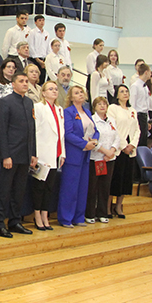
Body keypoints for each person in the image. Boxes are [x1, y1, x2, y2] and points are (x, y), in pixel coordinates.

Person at [0, 70, 37, 238]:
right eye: (21, 81)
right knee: (4, 190)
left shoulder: (29, 102)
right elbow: (1, 130)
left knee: (19, 191)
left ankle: (15, 221)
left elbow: (32, 130)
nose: (25, 83)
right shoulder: (6, 102)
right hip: (10, 154)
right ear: (13, 84)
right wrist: (5, 155)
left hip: (25, 154)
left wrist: (33, 153)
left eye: (26, 81)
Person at [58, 85, 99, 228]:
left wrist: (95, 140)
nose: (80, 94)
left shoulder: (87, 111)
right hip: (74, 154)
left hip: (86, 155)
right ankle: (66, 218)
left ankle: (79, 217)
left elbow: (95, 130)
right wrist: (84, 144)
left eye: (81, 92)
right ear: (71, 97)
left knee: (82, 188)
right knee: (70, 188)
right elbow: (68, 134)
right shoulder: (68, 112)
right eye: (76, 93)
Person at [31, 80, 65, 232]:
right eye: (50, 89)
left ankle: (45, 214)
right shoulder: (38, 107)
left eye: (55, 89)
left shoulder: (59, 109)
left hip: (55, 153)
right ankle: (37, 215)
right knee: (40, 186)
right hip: (42, 153)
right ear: (43, 93)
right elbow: (35, 131)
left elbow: (61, 134)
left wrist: (62, 153)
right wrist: (35, 154)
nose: (54, 91)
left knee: (49, 187)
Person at [86, 96, 122, 224]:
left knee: (105, 187)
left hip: (109, 159)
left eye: (104, 104)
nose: (102, 106)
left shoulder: (111, 120)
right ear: (94, 107)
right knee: (93, 187)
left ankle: (102, 212)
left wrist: (112, 151)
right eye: (99, 104)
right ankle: (90, 213)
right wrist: (104, 151)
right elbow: (91, 139)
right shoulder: (92, 120)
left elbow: (117, 137)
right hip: (96, 158)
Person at [108, 84, 139, 218]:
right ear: (117, 95)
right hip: (118, 148)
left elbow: (137, 130)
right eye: (122, 91)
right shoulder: (113, 108)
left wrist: (132, 144)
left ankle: (119, 206)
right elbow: (113, 127)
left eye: (126, 91)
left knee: (126, 179)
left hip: (130, 150)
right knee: (115, 178)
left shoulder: (132, 110)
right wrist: (124, 145)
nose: (125, 93)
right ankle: (108, 207)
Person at [0, 57, 18, 151]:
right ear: (3, 68)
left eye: (13, 67)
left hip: (15, 118)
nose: (11, 69)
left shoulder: (17, 85)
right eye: (8, 67)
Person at [130, 62, 151, 147]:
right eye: (150, 72)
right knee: (139, 140)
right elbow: (132, 103)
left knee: (144, 140)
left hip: (144, 115)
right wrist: (134, 120)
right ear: (146, 72)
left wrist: (148, 120)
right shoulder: (135, 86)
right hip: (138, 115)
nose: (150, 74)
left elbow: (146, 104)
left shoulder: (145, 86)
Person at [27, 14, 50, 80]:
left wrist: (47, 59)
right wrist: (37, 59)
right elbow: (31, 46)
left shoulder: (46, 33)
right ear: (35, 22)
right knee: (35, 77)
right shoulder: (32, 32)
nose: (42, 22)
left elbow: (48, 47)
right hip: (34, 58)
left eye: (43, 20)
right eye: (39, 20)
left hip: (44, 58)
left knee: (42, 77)